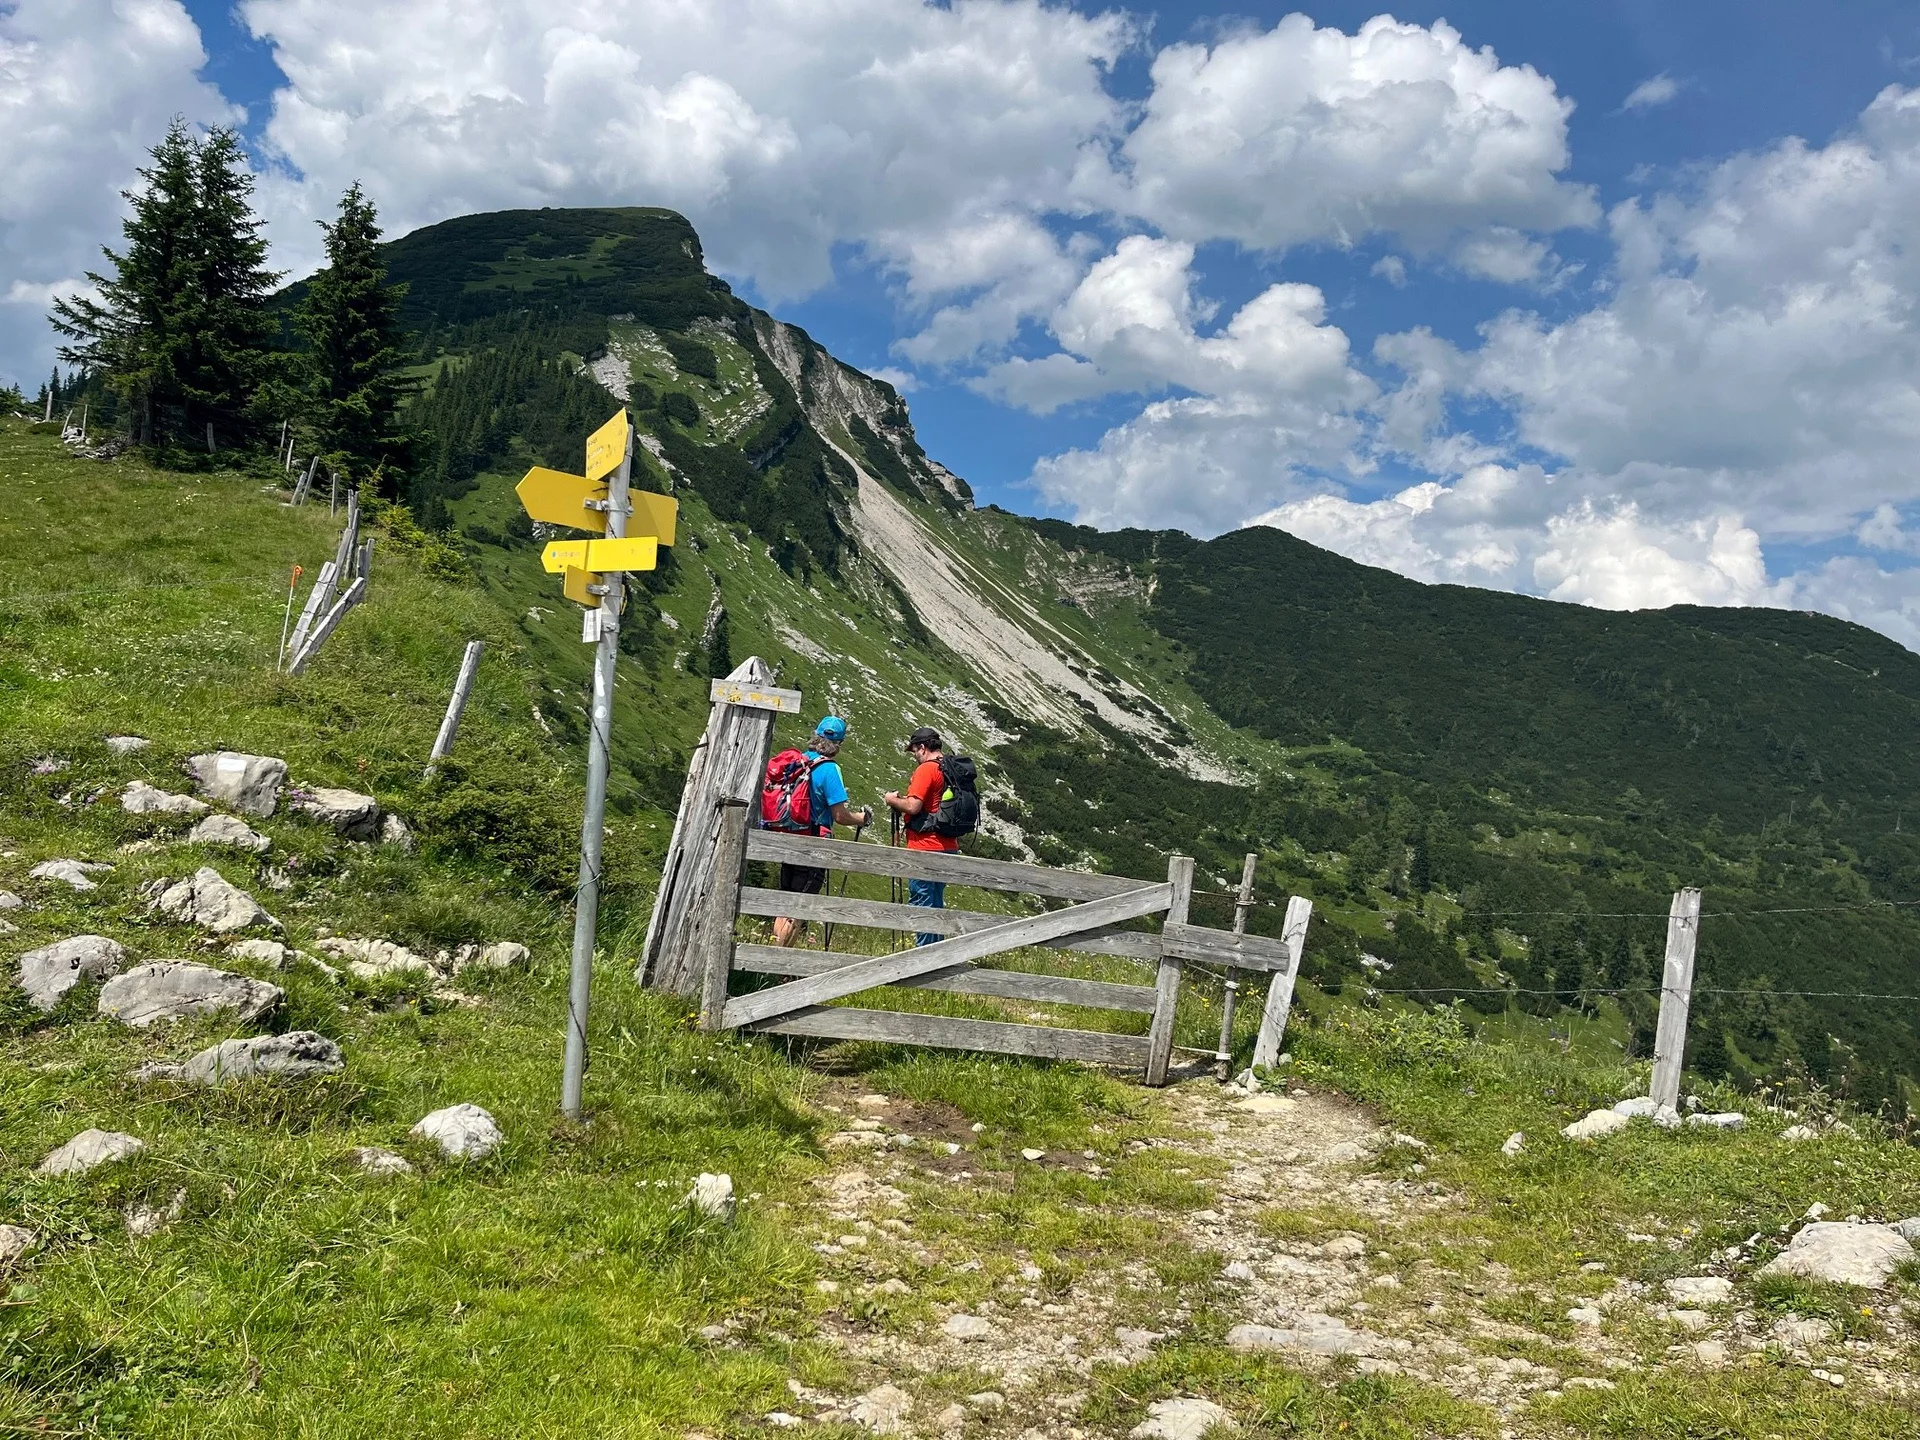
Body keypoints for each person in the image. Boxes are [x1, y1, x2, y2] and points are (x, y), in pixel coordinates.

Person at [771, 716, 873, 947]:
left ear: (815, 735)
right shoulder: (829, 769)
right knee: (799, 907)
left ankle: (770, 955)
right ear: (839, 743)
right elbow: (840, 815)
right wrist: (862, 818)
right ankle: (777, 963)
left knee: (785, 901)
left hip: (788, 837)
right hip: (814, 843)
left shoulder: (799, 761)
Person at [884, 726, 959, 945]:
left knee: (922, 903)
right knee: (936, 902)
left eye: (915, 751)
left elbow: (914, 806)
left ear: (923, 748)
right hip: (949, 845)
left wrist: (891, 800)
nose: (915, 756)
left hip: (925, 846)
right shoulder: (950, 767)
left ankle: (923, 957)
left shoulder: (927, 769)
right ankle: (938, 953)